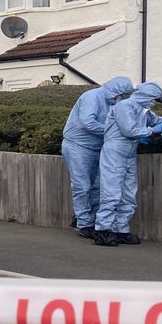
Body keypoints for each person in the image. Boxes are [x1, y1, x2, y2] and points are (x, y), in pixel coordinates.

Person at [93, 82, 162, 247]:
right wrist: (152, 130)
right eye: (153, 99)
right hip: (114, 152)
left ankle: (120, 229)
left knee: (129, 193)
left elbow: (160, 121)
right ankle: (103, 230)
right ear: (147, 96)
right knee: (112, 191)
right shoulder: (124, 106)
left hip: (129, 153)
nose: (153, 103)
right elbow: (129, 130)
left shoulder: (144, 111)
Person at [61, 77, 134, 238]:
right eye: (123, 94)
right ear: (116, 91)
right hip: (78, 145)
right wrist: (114, 132)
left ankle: (91, 220)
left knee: (97, 186)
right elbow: (87, 122)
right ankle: (84, 222)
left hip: (100, 146)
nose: (124, 97)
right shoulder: (92, 96)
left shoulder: (115, 103)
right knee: (82, 185)